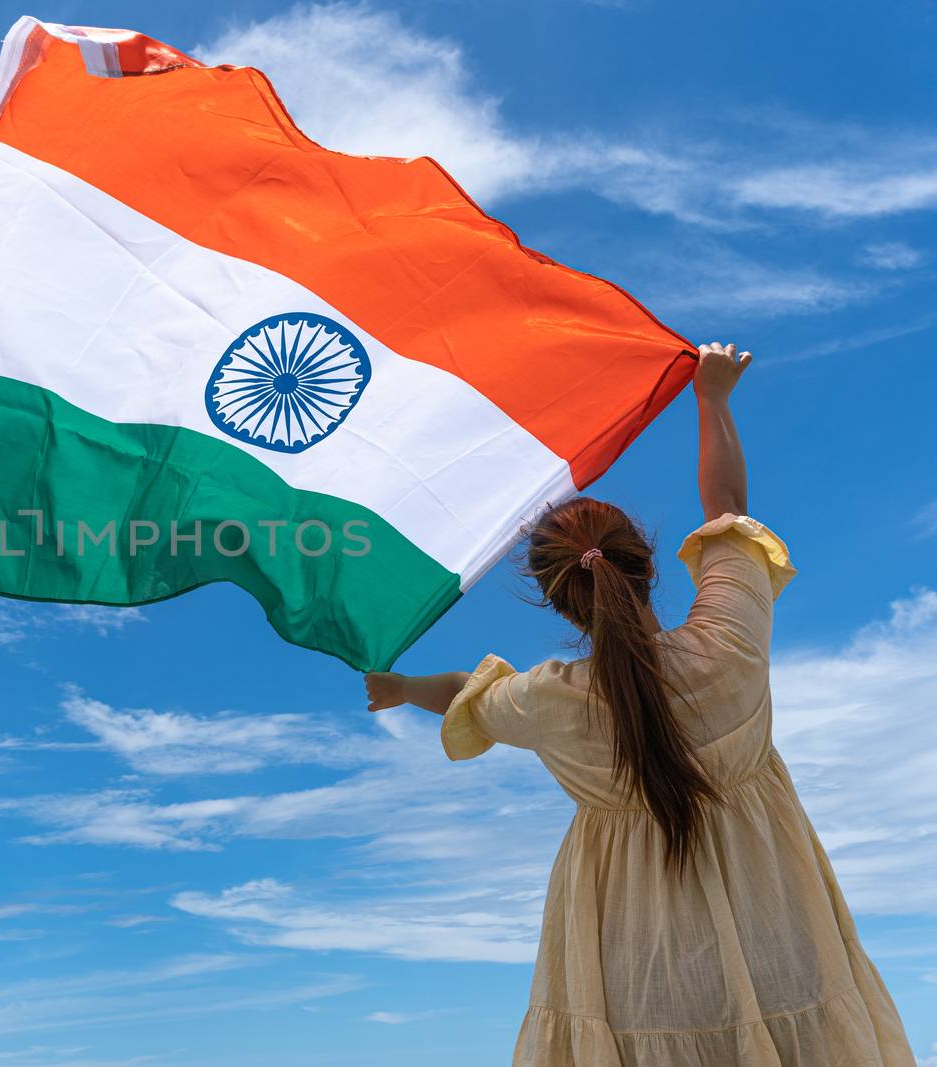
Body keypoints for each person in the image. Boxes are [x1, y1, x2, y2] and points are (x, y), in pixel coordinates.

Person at [363, 343, 916, 1066]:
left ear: (561, 603)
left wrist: (402, 689)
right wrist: (712, 399)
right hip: (775, 925)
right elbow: (729, 513)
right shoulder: (728, 647)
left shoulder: (550, 700)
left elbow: (470, 694)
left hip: (629, 972)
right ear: (648, 563)